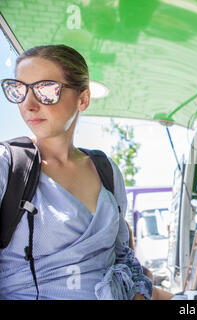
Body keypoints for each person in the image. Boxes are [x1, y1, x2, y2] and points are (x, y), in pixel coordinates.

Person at [0, 44, 162, 300]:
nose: (28, 104)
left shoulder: (106, 169)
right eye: (19, 89)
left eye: (45, 89)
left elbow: (123, 257)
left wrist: (140, 294)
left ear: (83, 98)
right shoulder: (7, 166)